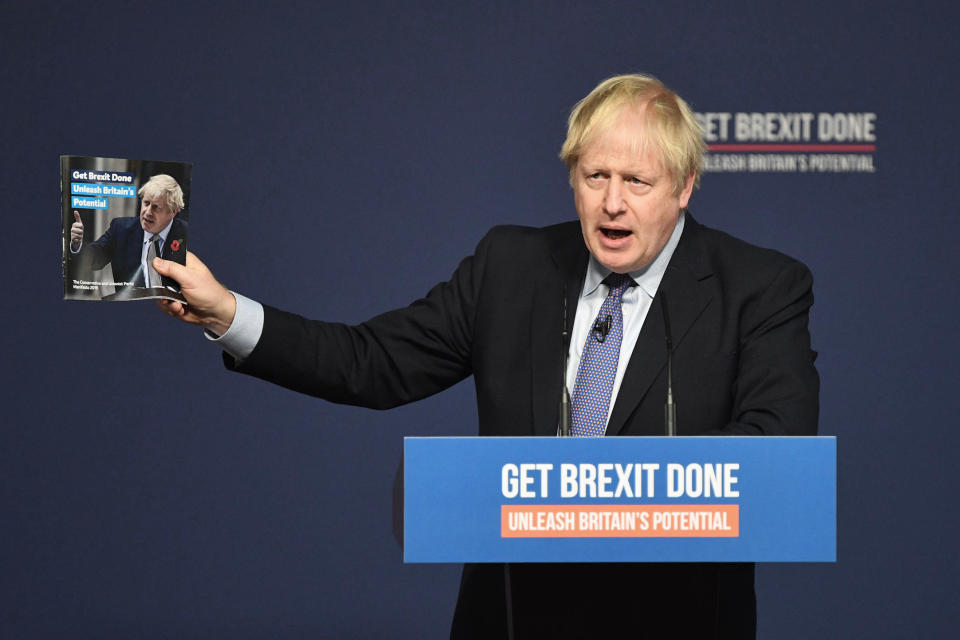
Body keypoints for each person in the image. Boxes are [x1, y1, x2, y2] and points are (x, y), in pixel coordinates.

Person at [154, 74, 819, 638]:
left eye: (637, 181)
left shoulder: (758, 287)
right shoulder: (513, 266)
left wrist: (587, 498)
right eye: (595, 176)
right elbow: (371, 360)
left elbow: (774, 456)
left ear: (684, 186)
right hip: (509, 619)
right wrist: (227, 312)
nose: (612, 202)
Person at [70, 173, 187, 289]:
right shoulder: (121, 229)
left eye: (156, 207)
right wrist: (77, 244)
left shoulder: (186, 234)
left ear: (173, 212)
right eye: (146, 203)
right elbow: (94, 260)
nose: (147, 212)